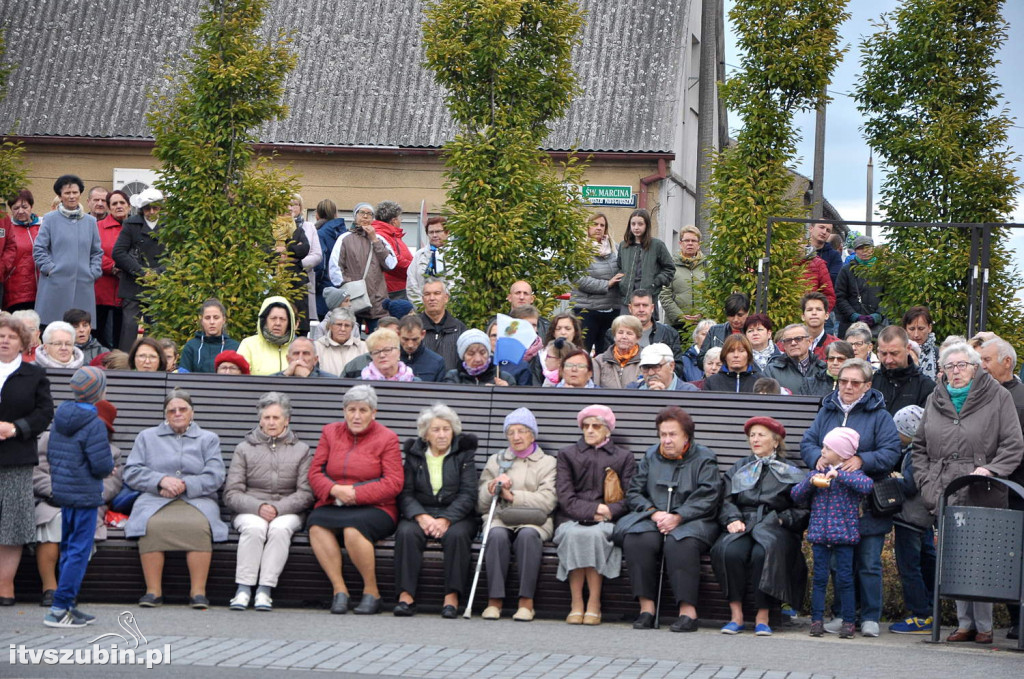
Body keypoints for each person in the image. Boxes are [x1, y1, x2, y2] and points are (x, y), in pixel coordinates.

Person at [911, 343, 1024, 645]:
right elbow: (919, 447)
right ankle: (964, 624)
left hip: (984, 488)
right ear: (943, 371)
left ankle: (984, 627)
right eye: (950, 366)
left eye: (962, 365)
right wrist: (927, 482)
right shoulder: (935, 398)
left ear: (976, 368)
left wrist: (992, 469)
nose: (956, 371)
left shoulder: (999, 397)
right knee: (951, 555)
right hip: (944, 489)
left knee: (981, 557)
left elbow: (1013, 445)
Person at [800, 358, 901, 638]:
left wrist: (862, 459)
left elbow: (892, 452)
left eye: (855, 382)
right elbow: (808, 442)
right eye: (843, 381)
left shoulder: (880, 415)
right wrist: (816, 459)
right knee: (837, 565)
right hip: (833, 505)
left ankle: (869, 617)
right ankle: (843, 615)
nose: (847, 387)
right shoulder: (827, 410)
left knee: (868, 563)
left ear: (867, 386)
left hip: (865, 504)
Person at [618, 406, 722, 631]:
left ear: (686, 436)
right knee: (637, 539)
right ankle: (646, 609)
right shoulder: (650, 455)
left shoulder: (704, 458)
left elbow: (709, 496)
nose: (666, 440)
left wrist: (679, 516)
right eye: (663, 434)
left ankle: (688, 613)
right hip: (654, 516)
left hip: (694, 520)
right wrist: (653, 513)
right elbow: (634, 491)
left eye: (672, 434)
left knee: (679, 543)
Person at [123, 388, 227, 609]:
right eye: (172, 411)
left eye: (183, 409)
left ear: (192, 412)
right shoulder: (146, 437)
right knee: (151, 526)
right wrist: (160, 480)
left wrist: (184, 485)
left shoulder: (208, 439)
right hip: (155, 498)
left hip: (197, 499)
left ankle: (198, 592)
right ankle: (153, 591)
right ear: (165, 414)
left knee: (199, 527)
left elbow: (216, 475)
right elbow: (131, 472)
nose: (177, 414)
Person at [308, 385, 403, 615]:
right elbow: (315, 473)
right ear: (344, 411)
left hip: (376, 508)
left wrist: (355, 494)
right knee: (316, 525)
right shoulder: (330, 432)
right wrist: (334, 490)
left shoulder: (387, 438)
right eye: (351, 410)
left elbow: (393, 482)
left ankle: (372, 592)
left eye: (363, 410)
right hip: (334, 502)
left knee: (353, 530)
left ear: (374, 413)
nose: (356, 416)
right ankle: (339, 590)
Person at [711, 417, 807, 636]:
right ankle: (736, 616)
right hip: (743, 523)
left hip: (775, 526)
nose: (755, 439)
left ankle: (762, 617)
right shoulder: (740, 467)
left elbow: (802, 508)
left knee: (762, 554)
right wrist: (732, 519)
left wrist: (783, 519)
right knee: (728, 551)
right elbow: (724, 500)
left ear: (776, 441)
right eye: (752, 435)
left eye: (761, 435)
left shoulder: (790, 470)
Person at [224, 392, 313, 612]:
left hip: (287, 510)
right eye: (266, 418)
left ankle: (265, 590)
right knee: (255, 528)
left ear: (286, 420)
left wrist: (278, 508)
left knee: (280, 529)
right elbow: (232, 493)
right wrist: (258, 507)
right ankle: (243, 589)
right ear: (260, 419)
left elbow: (306, 493)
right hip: (250, 509)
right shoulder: (244, 448)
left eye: (276, 418)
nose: (271, 422)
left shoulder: (301, 450)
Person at [39, 367, 113, 628]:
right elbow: (101, 466)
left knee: (69, 548)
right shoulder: (93, 424)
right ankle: (60, 608)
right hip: (85, 496)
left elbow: (52, 456)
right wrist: (110, 463)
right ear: (98, 392)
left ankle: (68, 605)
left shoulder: (60, 418)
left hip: (63, 493)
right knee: (78, 552)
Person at [393, 404, 479, 618]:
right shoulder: (414, 455)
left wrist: (446, 519)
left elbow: (468, 494)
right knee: (406, 533)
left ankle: (451, 597)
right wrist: (421, 516)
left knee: (457, 536)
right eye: (436, 430)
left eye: (446, 429)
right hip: (422, 510)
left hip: (456, 514)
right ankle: (406, 597)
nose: (442, 435)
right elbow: (406, 493)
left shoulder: (464, 454)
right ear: (426, 435)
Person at [554, 405, 635, 625]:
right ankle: (577, 602)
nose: (589, 430)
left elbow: (630, 496)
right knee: (574, 535)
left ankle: (594, 603)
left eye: (596, 426)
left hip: (608, 519)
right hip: (571, 517)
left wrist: (609, 512)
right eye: (586, 426)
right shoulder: (567, 455)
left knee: (594, 536)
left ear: (608, 430)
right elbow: (564, 496)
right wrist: (593, 511)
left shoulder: (624, 457)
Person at [792, 427, 874, 638]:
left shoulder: (853, 474)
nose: (823, 451)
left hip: (844, 536)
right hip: (820, 535)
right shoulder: (816, 472)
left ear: (841, 453)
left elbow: (867, 486)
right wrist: (809, 482)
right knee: (819, 578)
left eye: (828, 448)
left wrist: (840, 475)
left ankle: (848, 621)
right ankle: (816, 620)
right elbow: (796, 495)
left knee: (845, 578)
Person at [477, 407, 557, 622]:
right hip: (501, 517)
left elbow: (548, 501)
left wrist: (512, 496)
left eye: (522, 431)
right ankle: (494, 601)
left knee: (527, 536)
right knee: (495, 536)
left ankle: (526, 602)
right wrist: (492, 488)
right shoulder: (496, 460)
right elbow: (482, 505)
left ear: (532, 434)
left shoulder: (548, 463)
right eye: (511, 432)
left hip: (535, 520)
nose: (516, 437)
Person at [0, 316, 54, 606]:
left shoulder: (34, 375)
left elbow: (45, 412)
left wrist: (15, 428)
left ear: (22, 342)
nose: (4, 340)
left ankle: (5, 586)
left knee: (12, 525)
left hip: (16, 458)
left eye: (11, 336)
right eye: (0, 335)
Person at [886, 405, 936, 635]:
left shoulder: (916, 453)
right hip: (924, 517)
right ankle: (931, 611)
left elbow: (909, 485)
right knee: (926, 562)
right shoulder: (931, 450)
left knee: (909, 568)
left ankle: (919, 615)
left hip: (910, 518)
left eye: (899, 429)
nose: (897, 434)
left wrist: (893, 479)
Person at [33, 174, 103, 326]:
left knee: (80, 330)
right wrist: (50, 269)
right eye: (67, 193)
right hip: (55, 285)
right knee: (53, 330)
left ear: (80, 194)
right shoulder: (50, 219)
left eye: (75, 192)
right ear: (60, 196)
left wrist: (93, 272)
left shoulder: (90, 222)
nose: (72, 196)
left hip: (83, 284)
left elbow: (97, 251)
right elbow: (39, 248)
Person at [328, 202, 397, 331]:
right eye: (362, 213)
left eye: (369, 214)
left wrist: (374, 240)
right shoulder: (345, 238)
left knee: (378, 342)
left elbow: (391, 264)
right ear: (355, 216)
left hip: (377, 301)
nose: (365, 217)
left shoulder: (380, 239)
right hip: (352, 300)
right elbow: (335, 269)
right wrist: (350, 287)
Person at [112, 187, 165, 351]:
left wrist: (157, 272)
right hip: (133, 285)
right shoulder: (131, 224)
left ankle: (154, 363)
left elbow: (177, 256)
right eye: (147, 208)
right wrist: (142, 272)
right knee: (129, 329)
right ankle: (124, 365)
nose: (151, 211)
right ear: (142, 209)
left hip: (159, 285)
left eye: (155, 207)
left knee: (155, 330)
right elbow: (118, 252)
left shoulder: (170, 226)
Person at [571, 212, 622, 354]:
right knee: (582, 353)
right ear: (587, 227)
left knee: (608, 355)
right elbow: (578, 279)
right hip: (586, 310)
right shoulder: (579, 250)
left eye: (602, 225)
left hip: (611, 310)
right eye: (595, 224)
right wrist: (607, 284)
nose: (598, 228)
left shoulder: (615, 249)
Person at [616, 209, 673, 316]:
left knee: (647, 329)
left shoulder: (657, 245)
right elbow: (619, 267)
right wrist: (622, 282)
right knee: (627, 328)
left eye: (640, 224)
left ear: (647, 225)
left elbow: (669, 268)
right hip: (627, 298)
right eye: (633, 224)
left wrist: (655, 282)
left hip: (649, 296)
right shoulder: (624, 246)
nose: (636, 227)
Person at [871, 326, 935, 415]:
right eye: (884, 354)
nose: (888, 360)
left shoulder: (925, 386)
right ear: (878, 351)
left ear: (908, 349)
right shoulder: (871, 382)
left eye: (894, 353)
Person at [94, 189, 129, 348]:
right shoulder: (97, 227)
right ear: (108, 208)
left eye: (122, 203)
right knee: (101, 336)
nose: (119, 206)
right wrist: (113, 266)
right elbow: (93, 252)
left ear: (129, 206)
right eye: (114, 203)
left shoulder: (135, 226)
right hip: (102, 291)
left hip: (127, 291)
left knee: (122, 338)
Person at [835, 236, 886, 339]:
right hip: (850, 325)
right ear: (855, 251)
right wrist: (853, 315)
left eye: (867, 247)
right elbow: (839, 296)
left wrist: (878, 315)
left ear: (873, 249)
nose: (864, 251)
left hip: (877, 327)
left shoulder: (882, 270)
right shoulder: (846, 270)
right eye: (860, 248)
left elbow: (889, 298)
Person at [2, 189, 42, 312]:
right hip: (16, 291)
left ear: (31, 206)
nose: (20, 211)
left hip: (41, 290)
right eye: (16, 208)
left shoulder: (42, 226)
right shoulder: (8, 229)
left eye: (25, 207)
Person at [661, 225, 705, 334]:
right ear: (680, 244)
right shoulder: (670, 265)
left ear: (698, 245)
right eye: (686, 240)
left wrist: (702, 314)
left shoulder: (707, 266)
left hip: (701, 326)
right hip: (675, 326)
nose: (690, 243)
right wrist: (680, 317)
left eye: (694, 241)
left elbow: (712, 294)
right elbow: (664, 295)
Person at [762, 323, 829, 395]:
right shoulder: (772, 370)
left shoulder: (824, 369)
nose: (793, 343)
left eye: (798, 339)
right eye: (788, 340)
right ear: (784, 345)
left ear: (809, 341)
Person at [237, 296, 297, 376]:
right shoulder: (248, 344)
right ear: (264, 321)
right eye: (273, 318)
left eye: (282, 319)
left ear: (289, 323)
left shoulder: (298, 347)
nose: (278, 323)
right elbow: (239, 377)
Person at [289, 193, 324, 324]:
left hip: (304, 279)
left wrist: (298, 263)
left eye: (295, 204)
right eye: (288, 204)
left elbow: (317, 255)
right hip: (280, 280)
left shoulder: (309, 227)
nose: (291, 208)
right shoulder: (276, 227)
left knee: (302, 322)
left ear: (301, 207)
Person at [179, 298, 240, 373]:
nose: (212, 322)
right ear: (202, 321)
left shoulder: (234, 347)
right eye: (207, 318)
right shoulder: (191, 346)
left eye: (216, 317)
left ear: (223, 320)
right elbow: (183, 378)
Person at [419, 279, 467, 371]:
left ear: (446, 298)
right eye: (427, 294)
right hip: (421, 383)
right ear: (423, 299)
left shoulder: (460, 328)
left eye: (437, 293)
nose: (432, 298)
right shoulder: (415, 328)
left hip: (451, 383)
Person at [371, 201, 413, 300]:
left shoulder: (390, 234)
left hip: (397, 286)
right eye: (400, 218)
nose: (401, 221)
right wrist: (415, 267)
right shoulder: (382, 235)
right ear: (394, 221)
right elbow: (395, 261)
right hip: (394, 289)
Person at [408, 217, 452, 307]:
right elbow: (412, 284)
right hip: (423, 310)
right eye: (431, 232)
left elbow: (458, 283)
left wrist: (445, 306)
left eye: (438, 231)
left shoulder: (456, 255)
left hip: (450, 310)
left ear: (447, 232)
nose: (434, 235)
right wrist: (422, 306)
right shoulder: (419, 255)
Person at [313, 199, 346, 320]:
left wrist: (314, 285)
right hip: (342, 288)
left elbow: (320, 264)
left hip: (324, 289)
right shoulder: (344, 233)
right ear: (335, 213)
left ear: (318, 214)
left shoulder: (320, 233)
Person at [443, 329, 509, 386]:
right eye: (471, 354)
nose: (478, 359)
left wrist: (504, 392)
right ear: (463, 356)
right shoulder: (453, 377)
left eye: (482, 353)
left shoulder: (504, 377)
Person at [593, 315, 642, 389]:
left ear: (638, 338)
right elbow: (593, 389)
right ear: (614, 336)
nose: (624, 337)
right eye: (620, 332)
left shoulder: (645, 361)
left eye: (629, 333)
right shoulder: (599, 361)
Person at [311, 307, 365, 375]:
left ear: (352, 328)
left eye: (347, 325)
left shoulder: (363, 348)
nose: (343, 329)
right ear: (330, 326)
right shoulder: (317, 347)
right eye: (339, 324)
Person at [630, 343, 700, 392]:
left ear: (671, 366)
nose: (650, 373)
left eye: (656, 367)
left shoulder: (689, 392)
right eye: (645, 367)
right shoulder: (632, 390)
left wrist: (663, 398)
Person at [397, 315, 446, 382]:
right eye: (405, 339)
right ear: (398, 334)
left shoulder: (437, 362)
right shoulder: (389, 360)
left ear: (423, 334)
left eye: (415, 339)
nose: (410, 345)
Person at [902, 306, 939, 380]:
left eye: (921, 329)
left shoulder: (938, 354)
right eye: (911, 329)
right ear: (905, 329)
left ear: (929, 328)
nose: (916, 334)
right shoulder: (899, 353)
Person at [802, 292, 837, 360]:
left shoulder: (837, 345)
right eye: (809, 310)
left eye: (819, 309)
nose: (814, 313)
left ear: (826, 316)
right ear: (803, 316)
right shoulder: (791, 344)